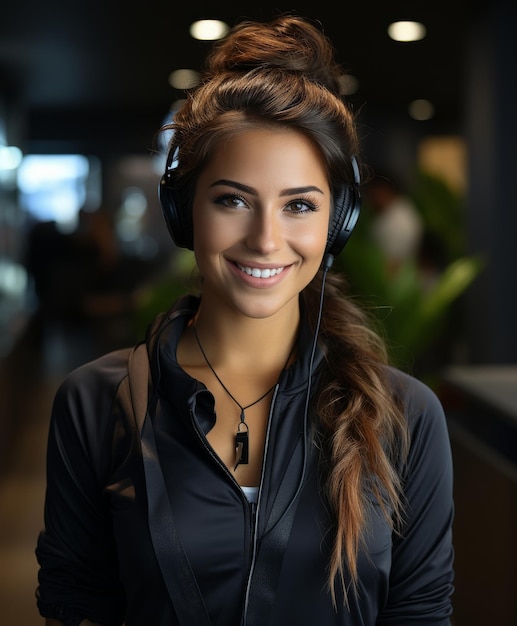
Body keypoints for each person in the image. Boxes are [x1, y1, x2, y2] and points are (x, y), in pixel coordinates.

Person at [35, 15, 454, 626]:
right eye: (232, 199)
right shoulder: (96, 405)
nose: (265, 239)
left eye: (300, 205)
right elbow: (75, 607)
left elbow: (419, 613)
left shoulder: (405, 417)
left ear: (337, 223)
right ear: (184, 213)